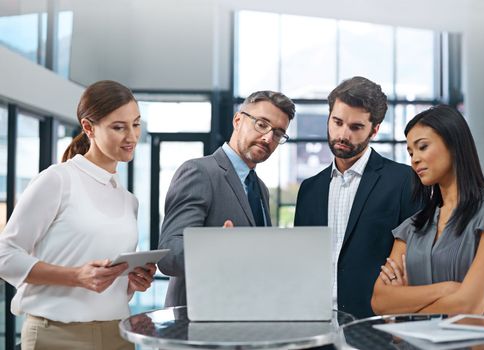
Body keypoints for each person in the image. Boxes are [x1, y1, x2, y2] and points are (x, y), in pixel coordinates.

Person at [0, 80, 156, 350]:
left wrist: (132, 283)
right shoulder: (58, 180)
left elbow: (107, 281)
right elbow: (5, 255)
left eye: (136, 124)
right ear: (88, 127)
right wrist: (76, 276)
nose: (131, 136)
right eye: (118, 127)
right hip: (56, 336)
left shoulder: (128, 200)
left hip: (118, 334)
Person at [371, 105, 484, 315]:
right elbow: (380, 302)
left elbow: (468, 307)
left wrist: (404, 304)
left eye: (422, 146)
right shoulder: (412, 227)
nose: (414, 159)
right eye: (410, 152)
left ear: (454, 144)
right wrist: (449, 289)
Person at [294, 77, 420, 318]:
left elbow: (414, 261)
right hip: (315, 319)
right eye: (337, 122)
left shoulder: (404, 180)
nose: (343, 134)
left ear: (375, 129)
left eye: (355, 127)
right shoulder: (309, 189)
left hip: (376, 322)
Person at [158, 90, 295, 307]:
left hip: (242, 319)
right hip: (197, 326)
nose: (269, 137)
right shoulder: (199, 172)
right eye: (261, 124)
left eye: (278, 133)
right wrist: (216, 247)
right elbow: (168, 254)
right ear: (238, 120)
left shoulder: (260, 188)